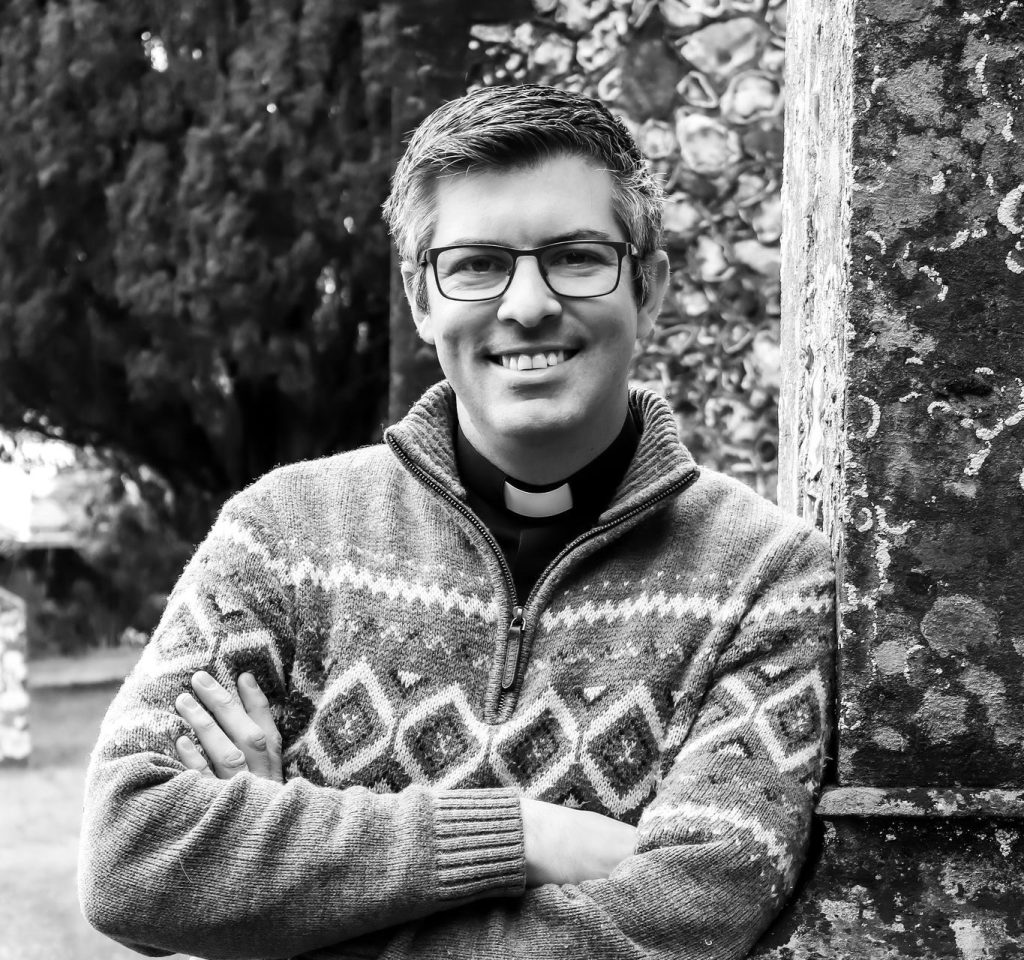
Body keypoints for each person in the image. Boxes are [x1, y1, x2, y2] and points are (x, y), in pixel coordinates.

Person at [79, 83, 834, 960]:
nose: (528, 304)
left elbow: (690, 917)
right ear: (420, 298)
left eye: (577, 257)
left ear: (650, 288)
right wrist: (522, 835)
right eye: (476, 265)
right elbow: (131, 860)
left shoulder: (764, 576)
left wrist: (282, 901)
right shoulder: (282, 537)